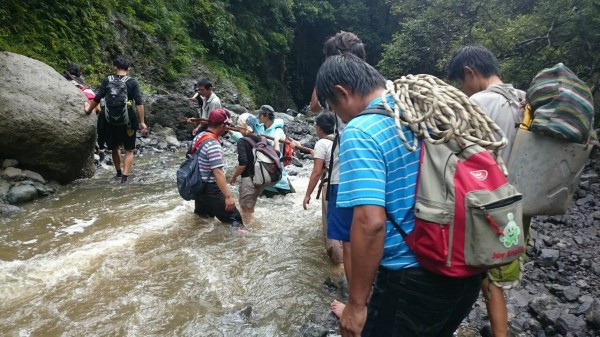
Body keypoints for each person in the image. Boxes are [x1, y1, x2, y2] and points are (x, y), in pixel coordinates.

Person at [315, 53, 482, 337]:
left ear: (343, 93)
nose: (339, 117)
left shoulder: (362, 130)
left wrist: (356, 304)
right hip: (467, 262)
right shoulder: (429, 109)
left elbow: (370, 223)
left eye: (333, 107)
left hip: (414, 277)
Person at [448, 44, 530, 337]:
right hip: (518, 203)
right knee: (497, 274)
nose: (464, 88)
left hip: (486, 204)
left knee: (485, 277)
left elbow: (455, 152)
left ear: (470, 72)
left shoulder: (479, 102)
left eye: (462, 81)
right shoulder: (522, 98)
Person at [85, 56, 147, 183]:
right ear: (128, 68)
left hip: (111, 120)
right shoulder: (132, 82)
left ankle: (118, 172)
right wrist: (142, 122)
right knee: (129, 149)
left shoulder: (107, 80)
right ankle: (124, 178)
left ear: (115, 67)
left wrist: (88, 110)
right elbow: (139, 103)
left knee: (115, 147)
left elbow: (97, 98)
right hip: (128, 119)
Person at [302, 111, 348, 266]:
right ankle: (346, 259)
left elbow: (316, 172)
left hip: (331, 185)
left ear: (319, 127)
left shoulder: (322, 143)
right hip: (348, 184)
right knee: (344, 223)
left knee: (332, 225)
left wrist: (307, 194)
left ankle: (338, 264)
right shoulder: (342, 138)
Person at [192, 108, 245, 229]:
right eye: (226, 125)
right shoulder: (214, 144)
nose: (227, 128)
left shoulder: (199, 136)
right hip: (211, 189)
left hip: (199, 188)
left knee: (203, 221)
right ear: (222, 125)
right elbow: (217, 172)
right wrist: (228, 197)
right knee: (236, 222)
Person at [229, 113, 278, 222]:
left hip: (248, 180)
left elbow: (243, 163)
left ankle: (247, 233)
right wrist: (277, 142)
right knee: (250, 209)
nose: (238, 127)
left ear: (244, 126)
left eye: (239, 125)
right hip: (260, 180)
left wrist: (233, 177)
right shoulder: (261, 139)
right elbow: (275, 153)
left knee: (245, 210)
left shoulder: (242, 141)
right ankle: (251, 227)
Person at [257, 105, 294, 197]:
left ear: (266, 115)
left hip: (278, 177)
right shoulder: (260, 128)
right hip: (265, 176)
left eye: (260, 114)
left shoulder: (278, 131)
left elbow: (273, 146)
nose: (258, 116)